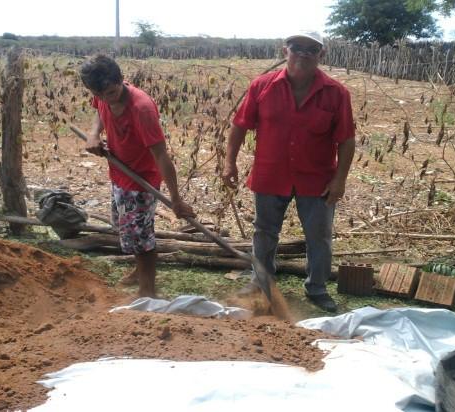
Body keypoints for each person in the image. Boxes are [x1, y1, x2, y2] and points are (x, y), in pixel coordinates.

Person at [223, 32, 355, 312]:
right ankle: (261, 282)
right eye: (297, 47)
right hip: (271, 174)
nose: (303, 54)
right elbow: (240, 125)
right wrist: (229, 162)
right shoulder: (262, 86)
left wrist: (340, 179)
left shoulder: (336, 93)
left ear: (322, 55)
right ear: (285, 51)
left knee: (319, 236)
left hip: (317, 178)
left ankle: (317, 288)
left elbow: (346, 139)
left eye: (311, 49)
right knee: (264, 232)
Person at [80, 55, 195, 298]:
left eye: (111, 92)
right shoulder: (103, 95)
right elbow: (99, 110)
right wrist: (94, 134)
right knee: (126, 228)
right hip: (119, 171)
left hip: (141, 180)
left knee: (141, 237)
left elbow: (161, 156)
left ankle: (148, 290)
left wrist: (176, 200)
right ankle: (139, 270)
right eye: (100, 94)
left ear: (121, 80)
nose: (106, 98)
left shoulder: (141, 108)